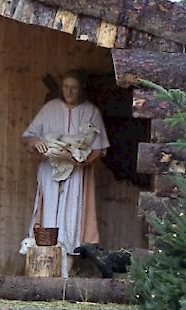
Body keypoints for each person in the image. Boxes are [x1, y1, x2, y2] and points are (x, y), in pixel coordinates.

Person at [21, 70, 110, 275]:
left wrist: (72, 158)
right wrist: (37, 143)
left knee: (71, 219)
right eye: (66, 86)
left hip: (76, 176)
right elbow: (28, 137)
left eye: (74, 87)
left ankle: (66, 273)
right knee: (49, 216)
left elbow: (98, 149)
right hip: (49, 171)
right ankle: (45, 272)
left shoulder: (91, 112)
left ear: (81, 89)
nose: (69, 91)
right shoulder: (50, 108)